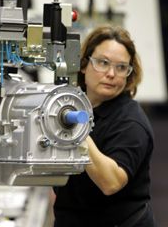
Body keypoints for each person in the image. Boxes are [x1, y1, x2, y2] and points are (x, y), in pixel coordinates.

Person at [53, 25, 155, 227]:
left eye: (121, 67)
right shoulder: (75, 104)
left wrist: (75, 127)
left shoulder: (131, 122)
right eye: (103, 63)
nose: (111, 73)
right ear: (83, 65)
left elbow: (111, 182)